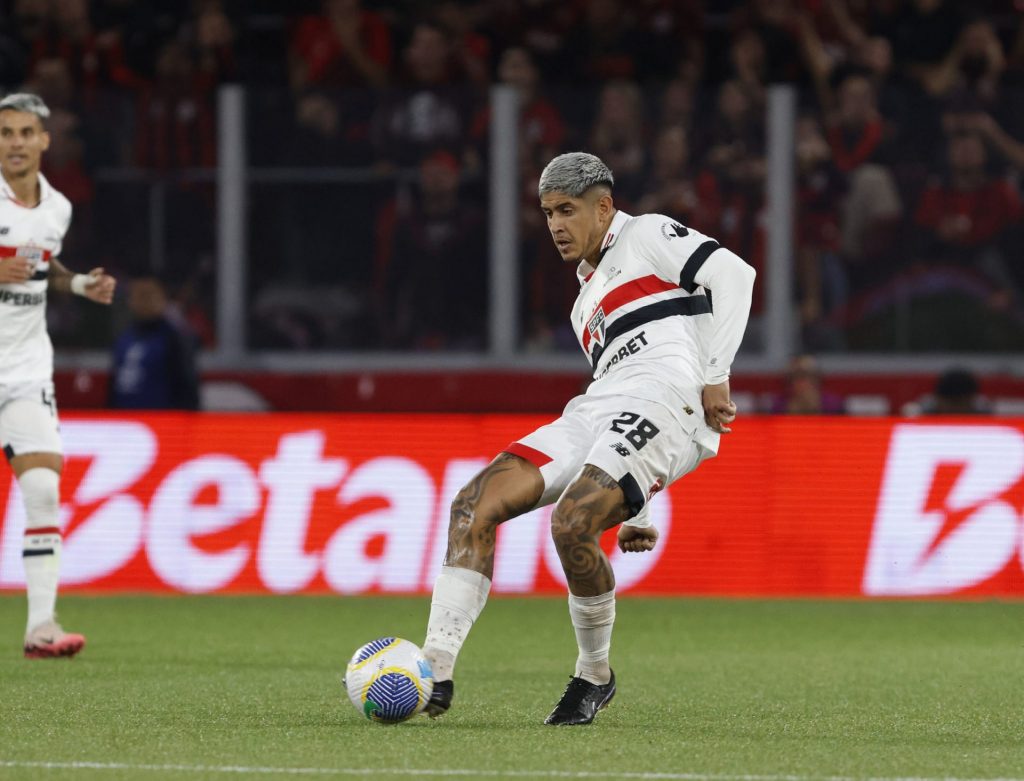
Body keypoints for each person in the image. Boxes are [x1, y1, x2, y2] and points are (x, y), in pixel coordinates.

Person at [420, 152, 755, 724]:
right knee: (471, 506)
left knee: (571, 523)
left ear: (603, 207)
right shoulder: (583, 304)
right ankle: (433, 672)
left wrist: (716, 375)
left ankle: (593, 674)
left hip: (669, 397)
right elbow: (628, 431)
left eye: (567, 210)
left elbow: (735, 274)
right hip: (599, 406)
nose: (555, 225)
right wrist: (638, 506)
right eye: (548, 212)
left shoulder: (646, 234)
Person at [0, 92, 116, 658]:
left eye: (25, 133)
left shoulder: (58, 208)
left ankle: (41, 626)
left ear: (45, 140)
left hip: (24, 372)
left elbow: (43, 264)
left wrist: (77, 285)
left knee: (43, 489)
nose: (15, 143)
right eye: (5, 134)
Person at [109, 276, 200, 411]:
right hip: (126, 421)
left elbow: (187, 386)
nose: (144, 302)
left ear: (162, 300)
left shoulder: (172, 338)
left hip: (162, 421)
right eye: (139, 296)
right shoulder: (124, 338)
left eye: (149, 296)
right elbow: (114, 384)